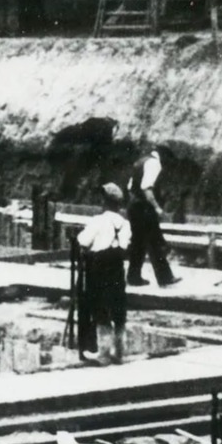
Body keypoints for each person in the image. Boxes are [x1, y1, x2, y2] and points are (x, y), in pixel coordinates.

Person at [76, 183, 131, 366]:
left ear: (105, 202)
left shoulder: (97, 221)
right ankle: (120, 352)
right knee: (118, 308)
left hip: (99, 267)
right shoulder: (125, 224)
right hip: (116, 267)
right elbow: (124, 246)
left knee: (100, 309)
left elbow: (83, 240)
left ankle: (104, 353)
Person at [126, 145, 180, 287]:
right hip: (144, 208)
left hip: (134, 206)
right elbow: (147, 188)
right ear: (164, 156)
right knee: (155, 242)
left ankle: (133, 277)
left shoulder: (140, 162)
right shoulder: (154, 163)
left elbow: (130, 187)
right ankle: (165, 278)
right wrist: (157, 208)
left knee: (138, 243)